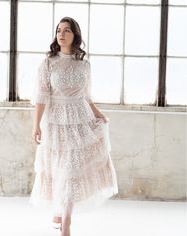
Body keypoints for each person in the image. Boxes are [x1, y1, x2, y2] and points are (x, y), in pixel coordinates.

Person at [29, 16, 118, 236]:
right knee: (59, 170)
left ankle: (66, 222)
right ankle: (60, 212)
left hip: (80, 121)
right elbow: (41, 97)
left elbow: (86, 97)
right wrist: (36, 125)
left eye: (67, 30)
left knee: (71, 172)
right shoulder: (48, 63)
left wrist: (99, 115)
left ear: (75, 35)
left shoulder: (84, 65)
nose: (62, 34)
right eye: (59, 30)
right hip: (56, 123)